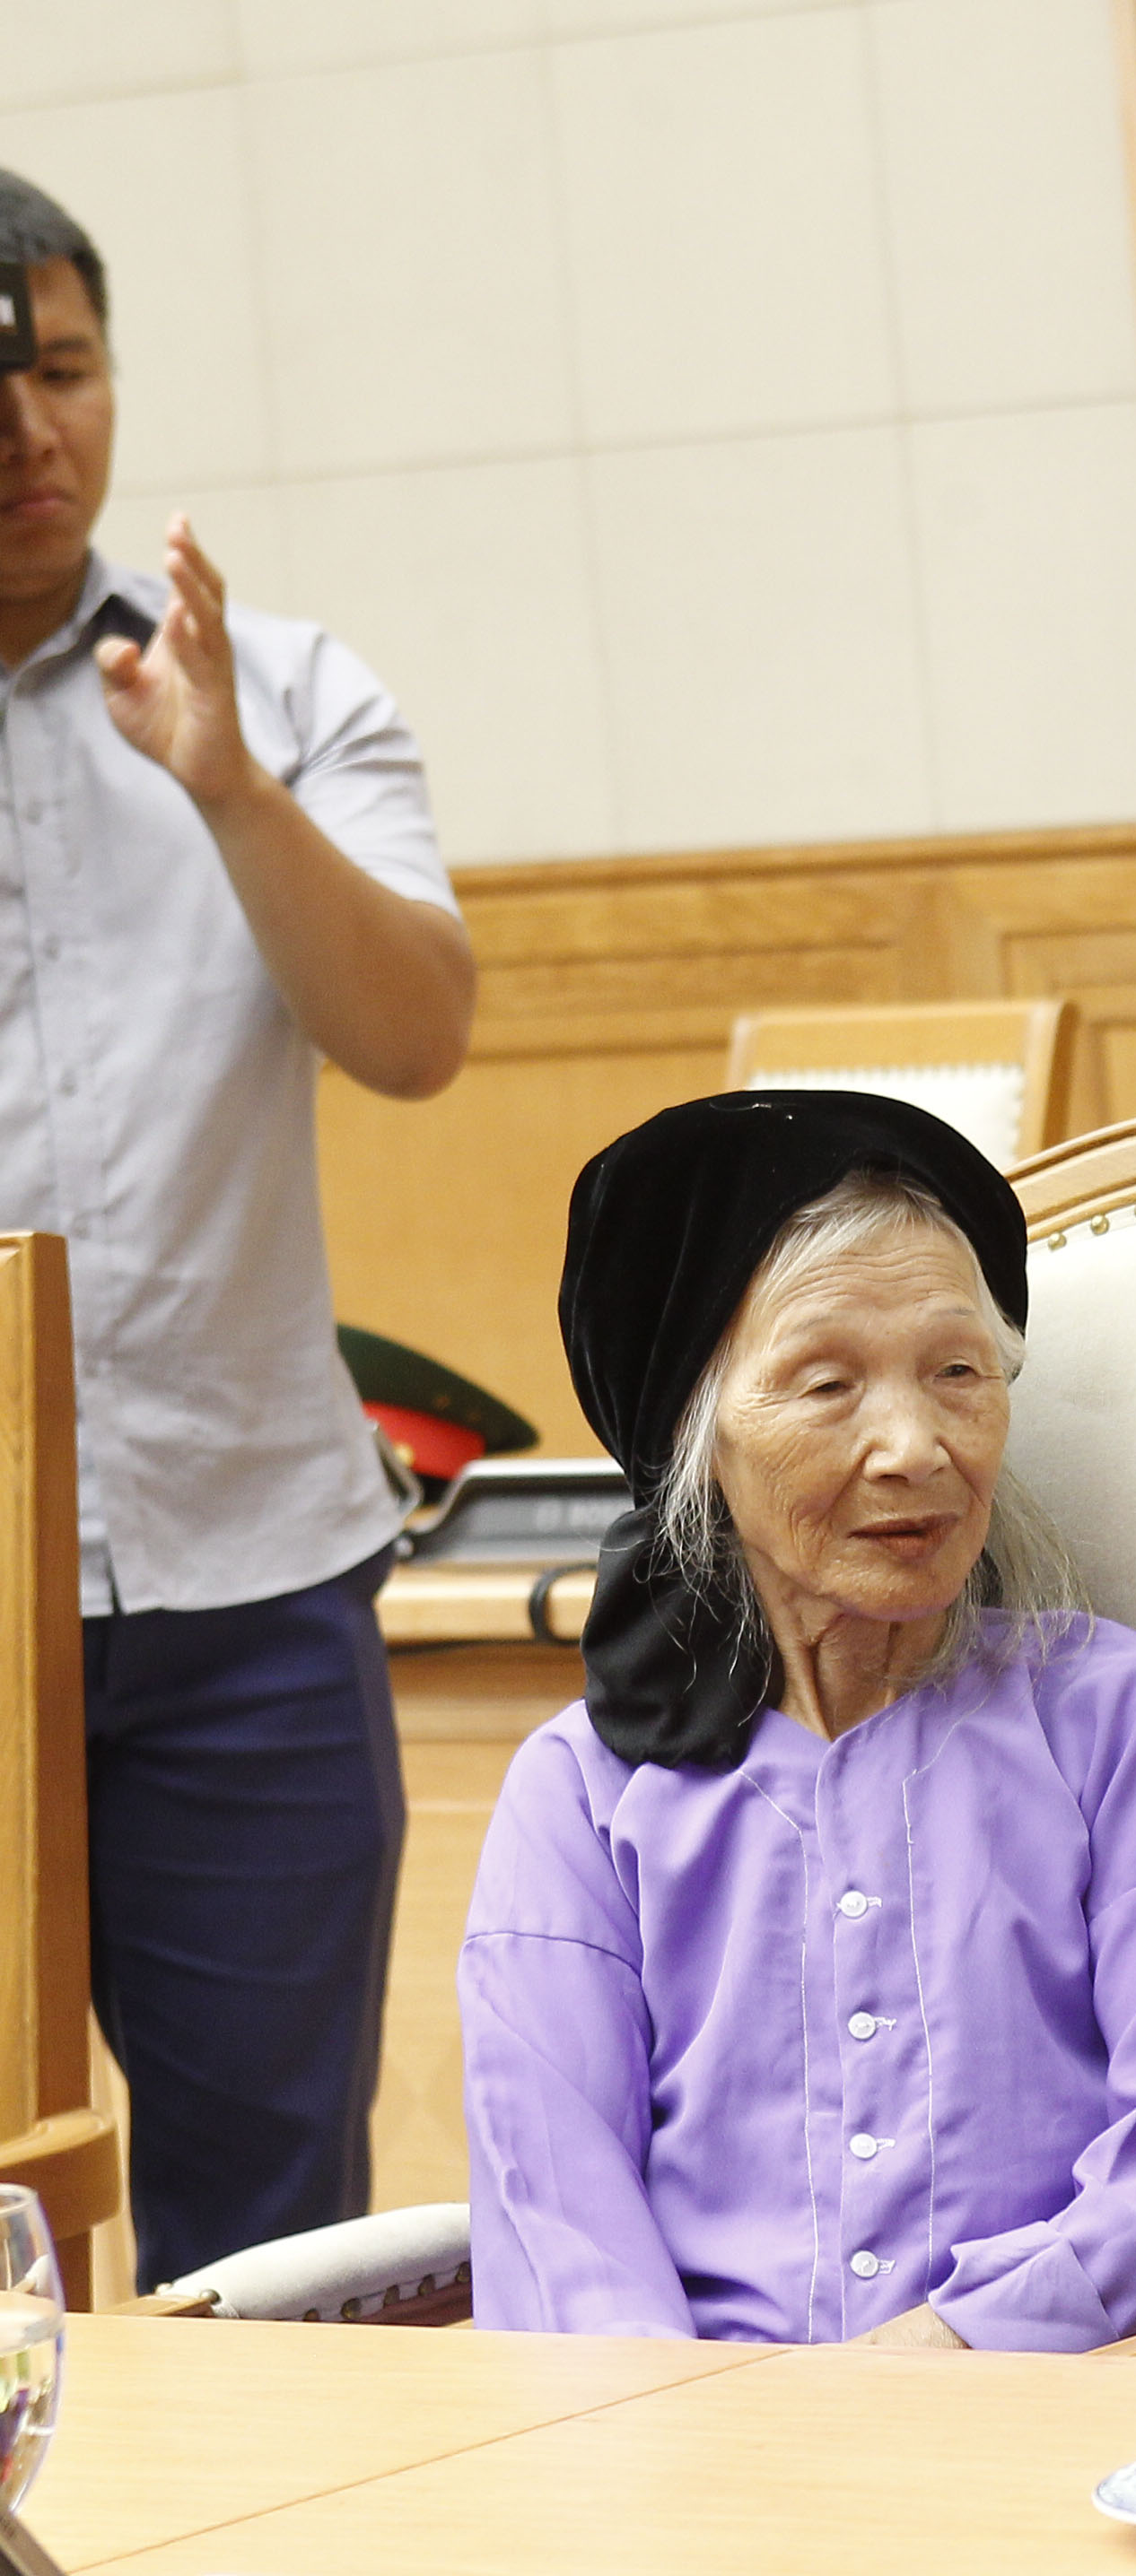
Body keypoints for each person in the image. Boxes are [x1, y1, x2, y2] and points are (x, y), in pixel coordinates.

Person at [459, 1092, 1136, 2347]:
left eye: (957, 1373)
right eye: (828, 1383)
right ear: (697, 1434)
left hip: (1053, 2414)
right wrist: (690, 2434)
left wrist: (947, 2355)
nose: (915, 1446)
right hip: (679, 2442)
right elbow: (557, 2221)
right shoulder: (580, 1791)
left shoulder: (1122, 1726)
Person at [0, 172, 481, 2286]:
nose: (32, 431)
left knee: (281, 2246)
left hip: (249, 1591)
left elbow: (415, 1035)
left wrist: (226, 789)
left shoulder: (276, 690)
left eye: (66, 371)